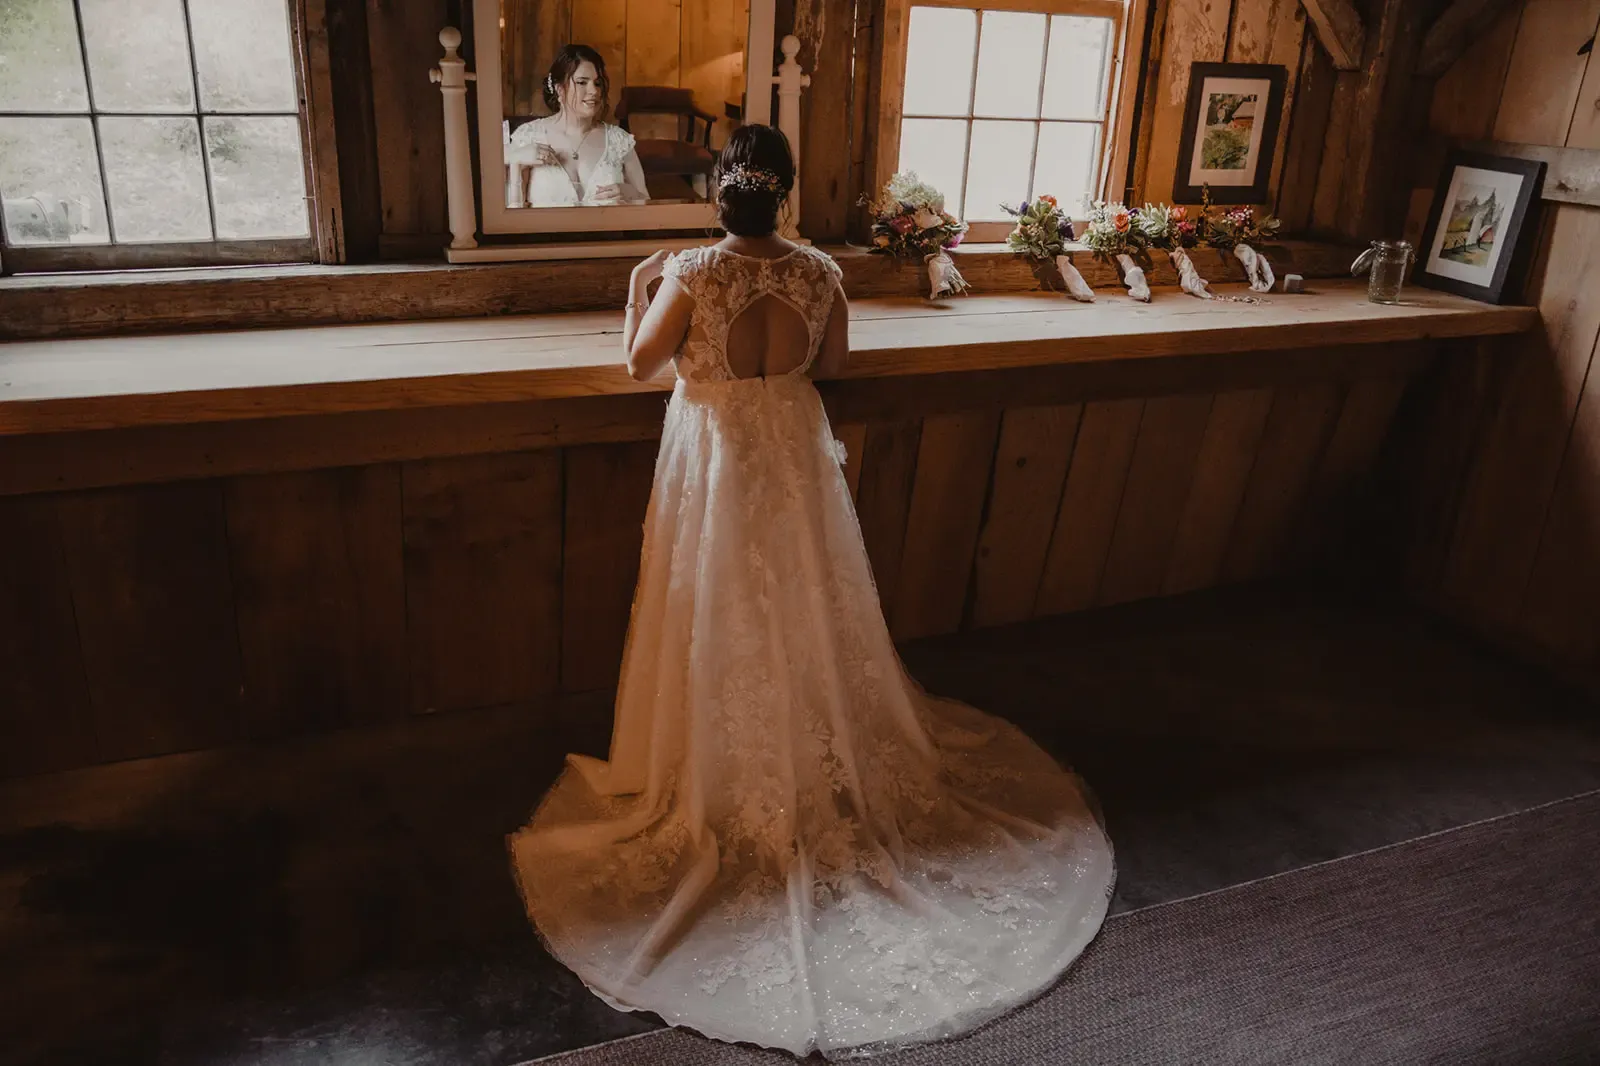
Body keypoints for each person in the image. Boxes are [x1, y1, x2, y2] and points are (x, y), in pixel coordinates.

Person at [509, 125, 1114, 1058]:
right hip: (790, 460)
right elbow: (831, 372)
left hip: (713, 465)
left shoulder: (691, 273)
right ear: (785, 193)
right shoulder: (819, 275)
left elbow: (639, 364)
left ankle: (713, 766)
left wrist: (638, 286)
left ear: (720, 191)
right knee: (805, 611)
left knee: (713, 610)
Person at [507, 44, 649, 207]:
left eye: (597, 83)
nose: (594, 91)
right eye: (582, 82)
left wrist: (630, 193)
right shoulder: (528, 136)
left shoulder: (619, 141)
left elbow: (645, 203)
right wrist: (515, 161)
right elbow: (511, 214)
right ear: (560, 89)